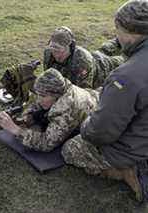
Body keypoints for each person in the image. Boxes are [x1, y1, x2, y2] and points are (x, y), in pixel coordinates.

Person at [61, 0, 148, 203]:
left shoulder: (127, 76)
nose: (116, 35)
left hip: (134, 148)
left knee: (71, 149)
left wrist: (85, 124)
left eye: (117, 29)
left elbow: (101, 132)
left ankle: (127, 171)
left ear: (132, 31)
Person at [0, 68, 99, 152]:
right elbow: (35, 103)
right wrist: (26, 118)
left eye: (43, 96)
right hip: (94, 96)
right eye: (38, 94)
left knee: (68, 150)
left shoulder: (67, 109)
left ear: (56, 95)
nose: (39, 99)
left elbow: (47, 143)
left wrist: (16, 130)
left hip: (99, 118)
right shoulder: (58, 87)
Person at [43, 26, 125, 89]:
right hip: (94, 56)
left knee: (125, 60)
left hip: (102, 68)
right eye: (53, 49)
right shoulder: (48, 54)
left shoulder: (82, 62)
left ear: (70, 48)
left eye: (60, 51)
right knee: (106, 48)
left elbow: (84, 93)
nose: (56, 55)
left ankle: (128, 36)